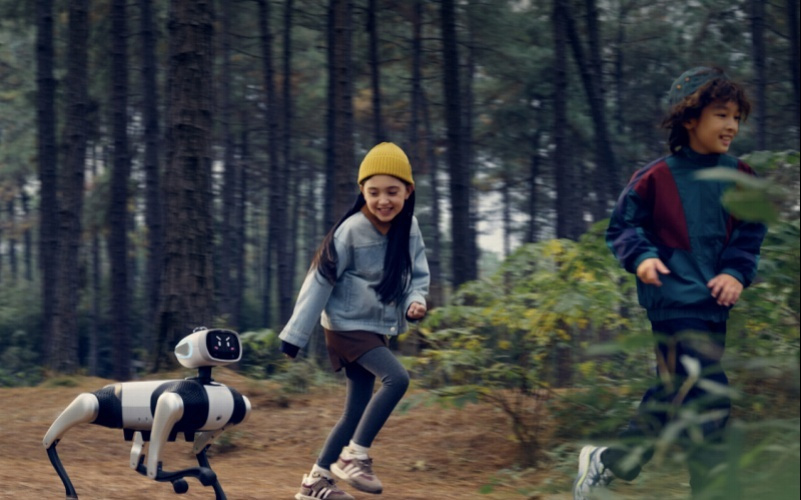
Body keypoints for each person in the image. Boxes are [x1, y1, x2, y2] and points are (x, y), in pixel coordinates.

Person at [573, 67, 767, 499]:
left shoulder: (742, 176)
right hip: (672, 297)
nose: (732, 125)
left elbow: (749, 235)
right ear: (689, 118)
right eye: (721, 114)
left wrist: (735, 273)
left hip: (714, 302)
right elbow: (622, 227)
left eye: (737, 116)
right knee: (696, 388)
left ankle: (611, 462)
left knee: (694, 398)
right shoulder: (655, 177)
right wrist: (642, 258)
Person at [279, 142, 430, 500]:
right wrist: (295, 335)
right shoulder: (350, 231)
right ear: (361, 191)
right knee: (397, 379)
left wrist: (416, 302)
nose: (383, 201)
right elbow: (319, 281)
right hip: (347, 327)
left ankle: (314, 483)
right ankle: (354, 456)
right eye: (373, 192)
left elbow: (416, 277)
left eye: (392, 192)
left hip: (378, 330)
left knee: (354, 412)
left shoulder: (409, 229)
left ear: (408, 192)